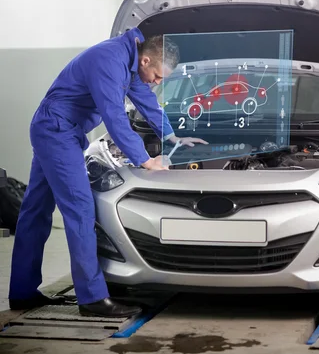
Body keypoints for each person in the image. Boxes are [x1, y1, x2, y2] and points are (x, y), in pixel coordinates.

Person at [9, 28, 206, 317]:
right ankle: (92, 298)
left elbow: (147, 103)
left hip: (59, 129)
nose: (157, 82)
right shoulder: (109, 59)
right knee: (80, 208)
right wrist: (145, 161)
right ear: (146, 61)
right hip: (57, 130)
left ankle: (22, 293)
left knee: (35, 211)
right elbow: (114, 115)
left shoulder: (131, 65)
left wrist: (173, 138)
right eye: (159, 76)